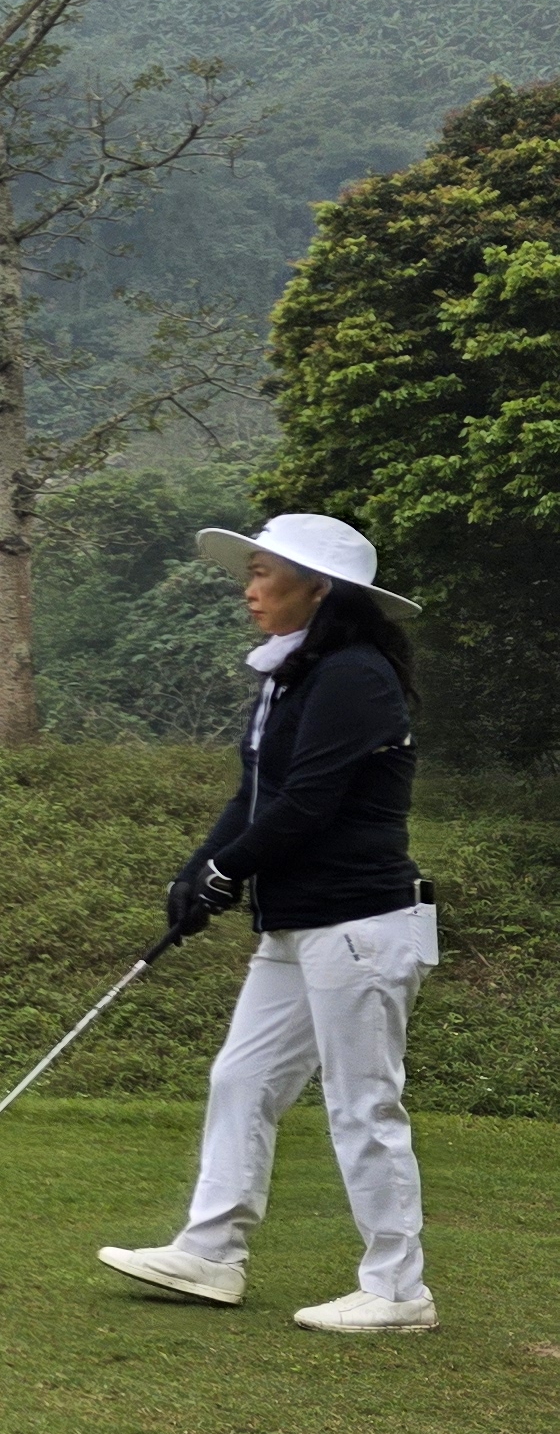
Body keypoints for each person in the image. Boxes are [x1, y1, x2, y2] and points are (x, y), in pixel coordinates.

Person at [98, 512, 439, 1333]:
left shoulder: (355, 675)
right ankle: (211, 1253)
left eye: (264, 574)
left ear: (320, 590)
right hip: (295, 925)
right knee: (241, 1079)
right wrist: (198, 870)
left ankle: (398, 1291)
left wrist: (228, 871)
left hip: (360, 925)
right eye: (248, 573)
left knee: (363, 1104)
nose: (248, 590)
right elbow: (253, 798)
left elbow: (309, 803)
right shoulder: (291, 677)